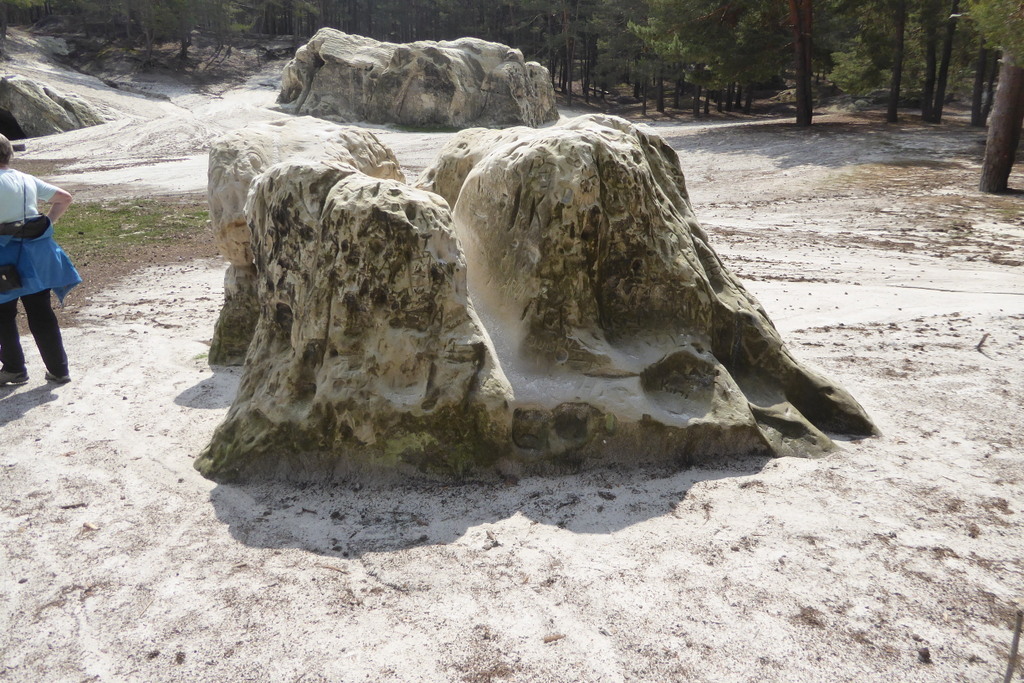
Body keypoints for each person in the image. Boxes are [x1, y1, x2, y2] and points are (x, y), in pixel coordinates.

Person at [0, 133, 80, 386]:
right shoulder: (25, 179)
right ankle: (58, 370)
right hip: (35, 255)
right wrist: (47, 222)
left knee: (3, 315)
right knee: (41, 311)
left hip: (4, 258)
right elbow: (64, 198)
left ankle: (14, 369)